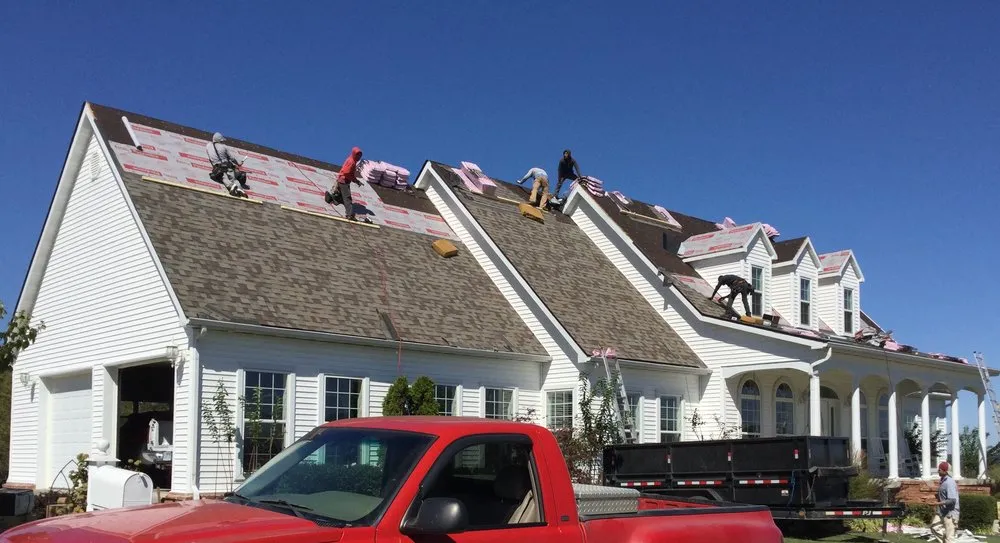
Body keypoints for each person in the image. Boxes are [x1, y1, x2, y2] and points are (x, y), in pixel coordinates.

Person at [325, 146, 364, 221]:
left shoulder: (351, 159)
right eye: (357, 155)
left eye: (360, 155)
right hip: (344, 181)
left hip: (341, 180)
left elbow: (348, 173)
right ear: (354, 154)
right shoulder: (351, 162)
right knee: (347, 199)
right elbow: (347, 173)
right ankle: (349, 215)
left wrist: (356, 181)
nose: (359, 157)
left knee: (340, 197)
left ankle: (330, 198)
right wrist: (355, 180)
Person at [205, 132, 248, 197]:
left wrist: (214, 167)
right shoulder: (224, 147)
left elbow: (210, 159)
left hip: (217, 167)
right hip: (227, 166)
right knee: (233, 179)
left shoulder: (208, 146)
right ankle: (240, 189)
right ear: (220, 140)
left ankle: (231, 186)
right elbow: (232, 158)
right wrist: (239, 163)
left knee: (222, 177)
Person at [930, 461, 959, 543]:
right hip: (942, 511)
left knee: (949, 538)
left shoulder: (949, 482)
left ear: (944, 471)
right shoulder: (943, 481)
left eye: (939, 469)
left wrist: (937, 503)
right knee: (934, 527)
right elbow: (944, 496)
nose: (938, 471)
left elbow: (952, 500)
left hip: (951, 513)